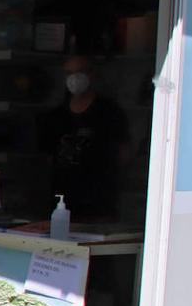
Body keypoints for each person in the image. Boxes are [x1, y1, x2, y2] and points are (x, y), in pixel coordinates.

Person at [41, 56, 130, 221]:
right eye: (69, 73)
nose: (74, 78)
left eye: (80, 71)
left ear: (92, 74)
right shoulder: (55, 117)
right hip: (62, 200)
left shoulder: (109, 112)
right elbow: (47, 158)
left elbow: (122, 154)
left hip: (98, 201)